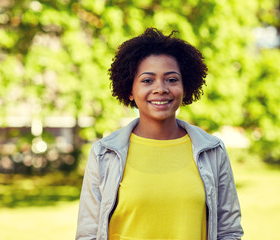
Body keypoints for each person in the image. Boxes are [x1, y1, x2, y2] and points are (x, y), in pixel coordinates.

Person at [76, 28, 243, 240]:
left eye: (171, 79)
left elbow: (228, 231)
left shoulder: (212, 151)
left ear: (185, 86)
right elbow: (88, 234)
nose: (160, 88)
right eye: (147, 80)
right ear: (130, 89)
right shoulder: (104, 153)